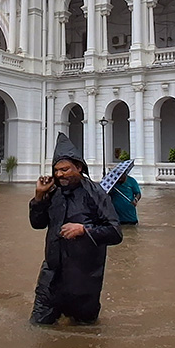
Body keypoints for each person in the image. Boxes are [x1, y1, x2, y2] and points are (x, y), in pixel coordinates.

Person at [29, 133, 122, 325]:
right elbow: (37, 224)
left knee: (84, 330)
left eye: (65, 169)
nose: (60, 175)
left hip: (84, 280)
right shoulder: (53, 192)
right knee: (38, 326)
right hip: (51, 276)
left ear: (78, 167)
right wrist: (38, 197)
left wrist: (84, 230)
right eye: (56, 170)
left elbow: (115, 232)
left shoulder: (96, 193)